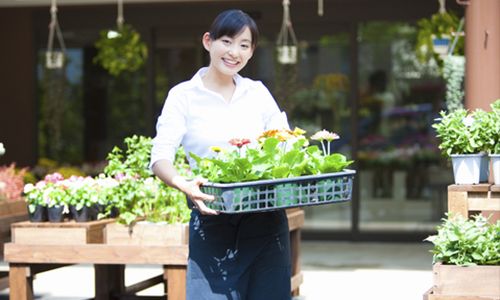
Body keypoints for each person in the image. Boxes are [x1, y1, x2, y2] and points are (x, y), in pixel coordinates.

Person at [150, 9, 292, 300]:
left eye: (244, 45)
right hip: (212, 220)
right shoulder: (183, 96)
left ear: (252, 52)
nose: (234, 52)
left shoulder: (258, 93)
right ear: (208, 41)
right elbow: (160, 156)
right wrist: (182, 183)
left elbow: (284, 143)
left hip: (265, 220)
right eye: (226, 41)